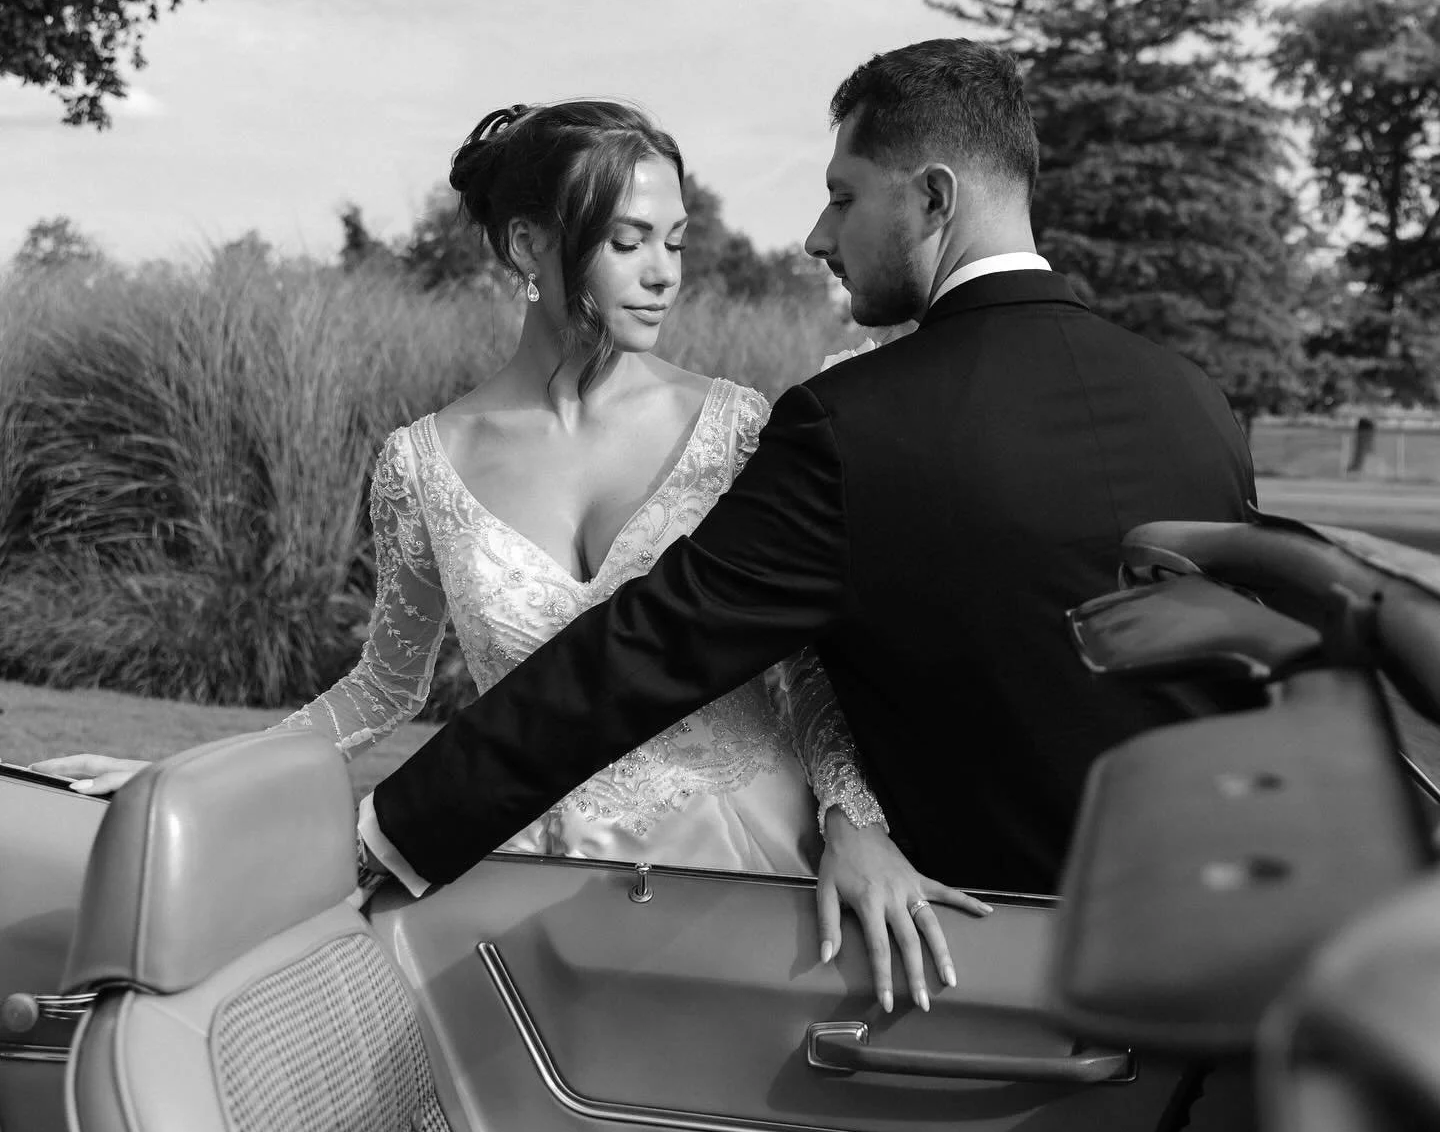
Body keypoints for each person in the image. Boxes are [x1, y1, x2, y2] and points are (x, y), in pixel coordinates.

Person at [360, 39, 1258, 1007]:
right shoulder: (1196, 403)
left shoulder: (855, 426)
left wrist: (392, 828)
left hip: (988, 972)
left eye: (844, 195)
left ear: (934, 198)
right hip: (1223, 954)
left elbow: (651, 645)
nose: (817, 236)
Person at [35, 101, 987, 973]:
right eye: (627, 241)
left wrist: (853, 816)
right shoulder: (422, 463)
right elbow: (384, 686)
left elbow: (804, 664)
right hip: (531, 885)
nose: (664, 273)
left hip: (752, 869)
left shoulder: (742, 428)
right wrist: (200, 779)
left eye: (675, 241)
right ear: (531, 244)